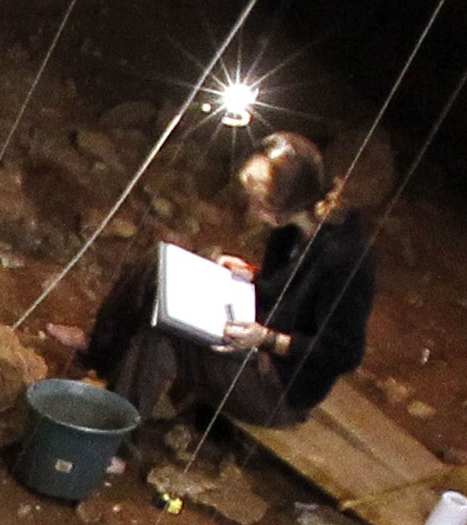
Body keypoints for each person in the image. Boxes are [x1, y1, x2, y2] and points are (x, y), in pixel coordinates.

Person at [79, 131, 376, 441]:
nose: (251, 210)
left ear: (284, 206)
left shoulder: (346, 259)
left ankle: (112, 442)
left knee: (163, 334)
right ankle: (99, 352)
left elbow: (345, 353)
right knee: (161, 261)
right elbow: (289, 289)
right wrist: (253, 275)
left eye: (260, 203)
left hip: (279, 386)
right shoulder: (290, 230)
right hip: (253, 334)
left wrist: (268, 339)